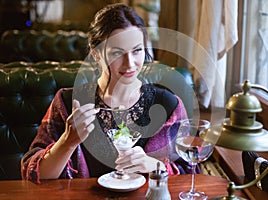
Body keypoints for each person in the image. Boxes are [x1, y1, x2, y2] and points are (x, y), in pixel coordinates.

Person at [21, 3, 196, 183]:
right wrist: (68, 141)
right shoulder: (67, 103)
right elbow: (34, 174)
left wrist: (155, 166)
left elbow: (191, 172)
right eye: (117, 53)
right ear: (95, 53)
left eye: (137, 50)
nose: (130, 64)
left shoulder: (169, 105)